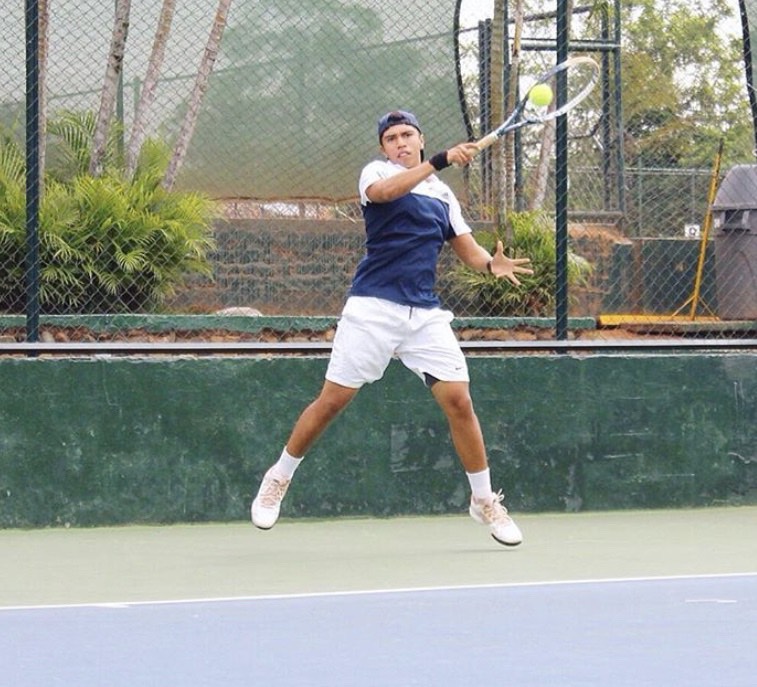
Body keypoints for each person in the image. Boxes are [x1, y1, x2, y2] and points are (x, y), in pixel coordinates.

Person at [251, 110, 533, 546]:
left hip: (424, 316)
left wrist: (490, 264)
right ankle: (279, 476)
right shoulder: (377, 174)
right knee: (332, 402)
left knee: (459, 401)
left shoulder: (443, 198)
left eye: (408, 135)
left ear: (420, 139)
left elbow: (469, 251)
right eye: (392, 138)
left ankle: (483, 501)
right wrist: (438, 160)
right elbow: (385, 193)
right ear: (384, 148)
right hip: (372, 309)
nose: (400, 142)